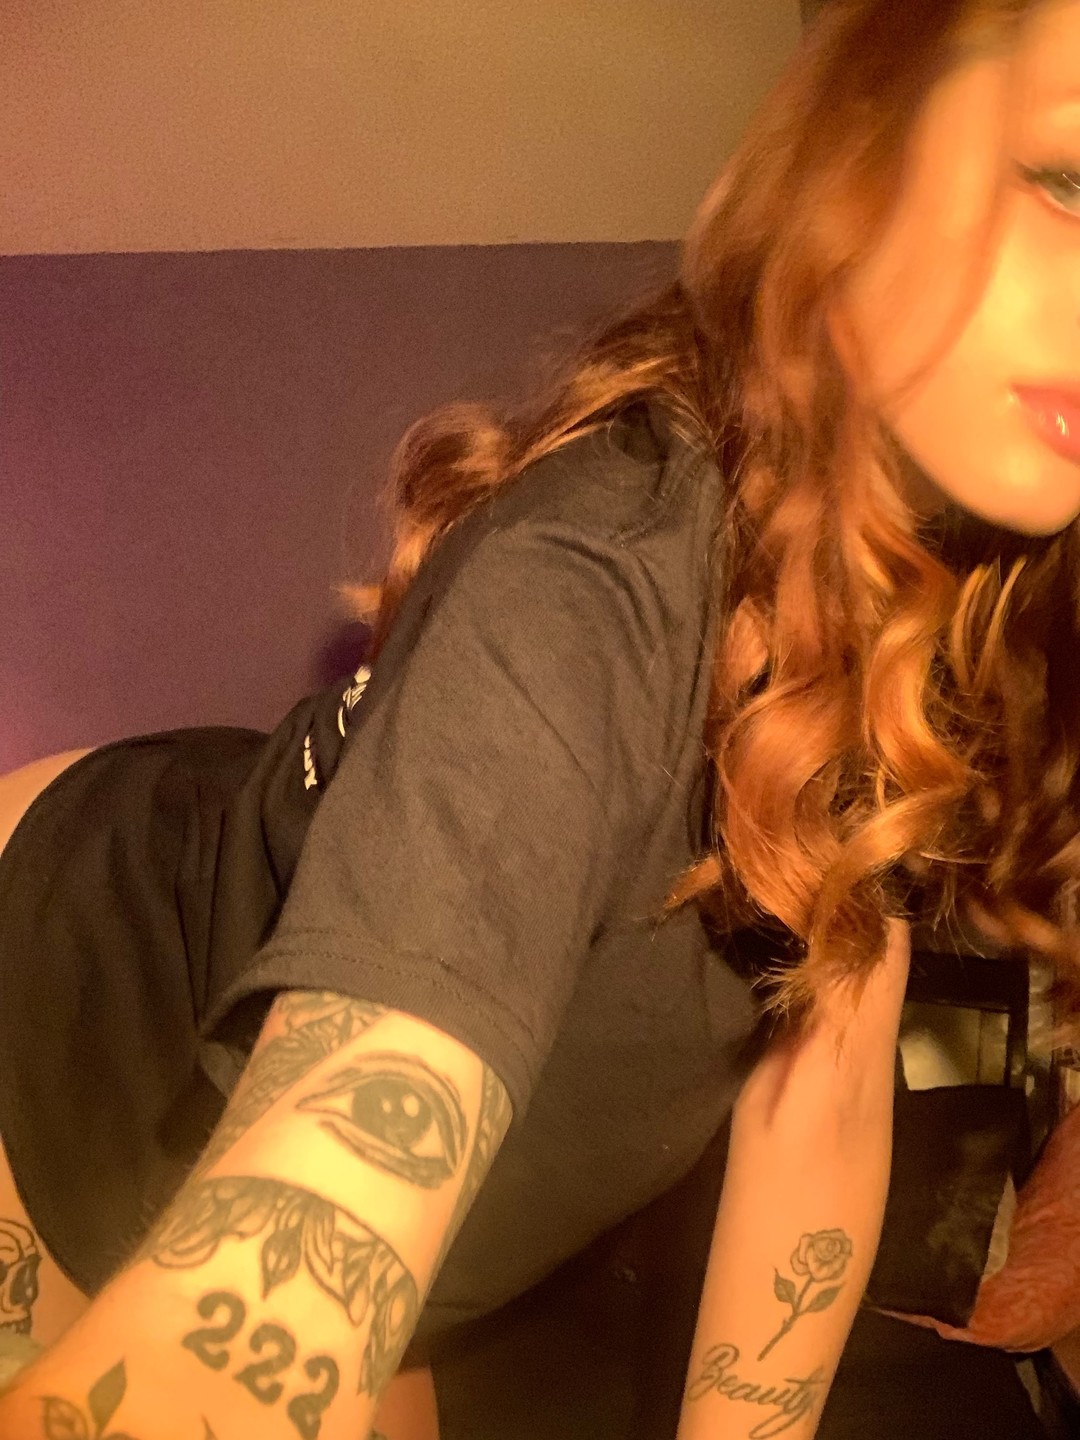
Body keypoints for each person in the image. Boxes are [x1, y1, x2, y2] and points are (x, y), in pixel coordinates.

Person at [1, 0, 1078, 1434]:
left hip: (412, 1249)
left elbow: (819, 1106)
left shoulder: (922, 613)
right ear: (864, 149)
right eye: (1070, 180)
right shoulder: (587, 575)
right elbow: (293, 1248)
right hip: (56, 1021)